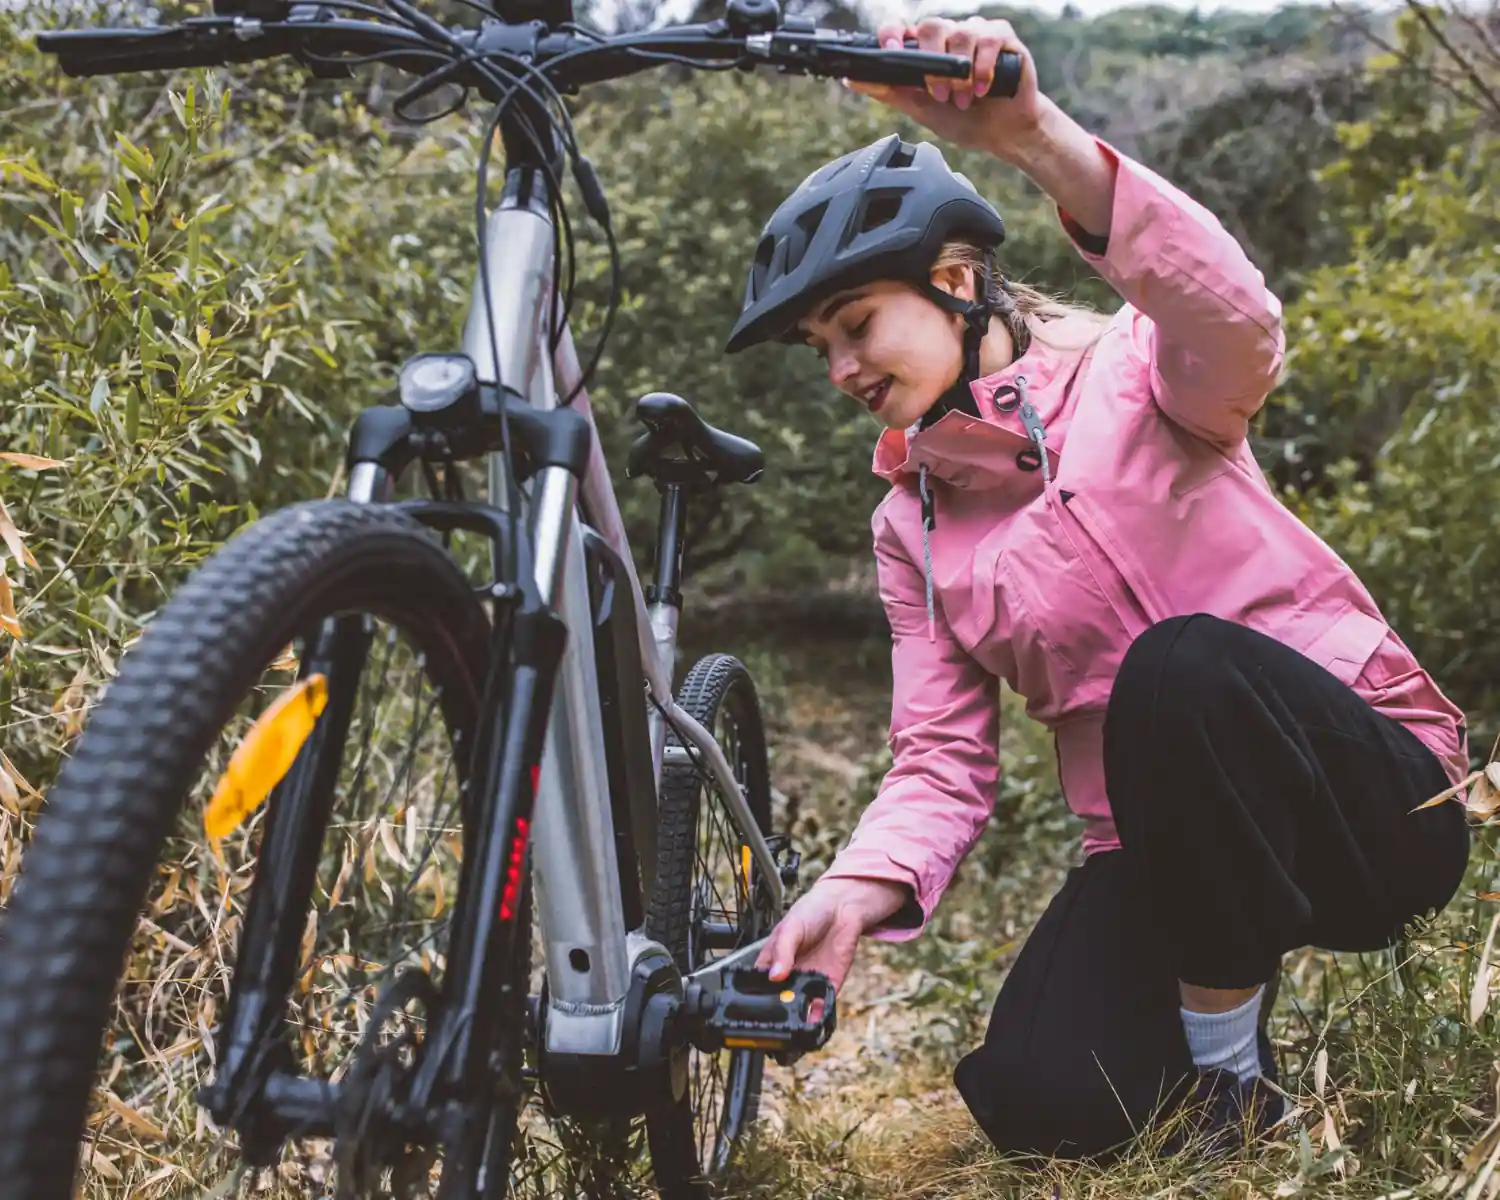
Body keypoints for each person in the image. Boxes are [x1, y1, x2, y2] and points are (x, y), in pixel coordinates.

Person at [727, 14, 1473, 1161]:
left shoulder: (1136, 369)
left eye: (858, 322)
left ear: (960, 279)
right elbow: (941, 759)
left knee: (1174, 665)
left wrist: (1036, 141)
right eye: (819, 345)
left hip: (1367, 800)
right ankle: (1230, 1030)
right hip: (1167, 852)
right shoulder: (910, 525)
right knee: (1039, 1102)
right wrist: (855, 889)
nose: (839, 368)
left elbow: (1239, 322)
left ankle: (1228, 1080)